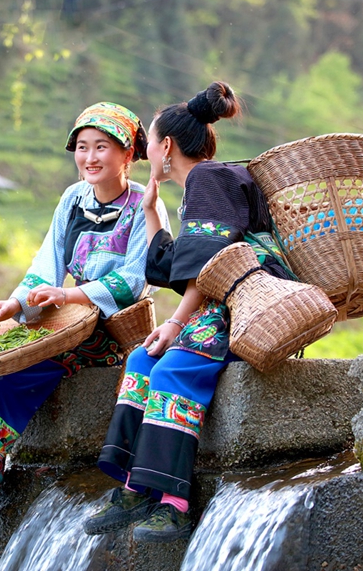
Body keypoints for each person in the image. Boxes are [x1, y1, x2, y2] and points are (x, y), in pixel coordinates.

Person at [0, 102, 169, 540]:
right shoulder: (72, 199)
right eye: (82, 147)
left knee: (14, 377)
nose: (90, 157)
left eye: (102, 147)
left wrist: (70, 294)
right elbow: (45, 266)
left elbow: (135, 280)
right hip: (62, 325)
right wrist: (15, 304)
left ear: (127, 155)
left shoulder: (143, 205)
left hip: (107, 333)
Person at [84, 81, 291, 543]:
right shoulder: (199, 186)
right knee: (141, 360)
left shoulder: (208, 179)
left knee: (174, 365)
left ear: (167, 146)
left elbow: (206, 267)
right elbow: (175, 265)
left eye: (150, 144)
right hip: (221, 299)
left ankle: (173, 502)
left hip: (246, 300)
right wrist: (152, 209)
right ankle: (137, 486)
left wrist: (176, 325)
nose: (147, 153)